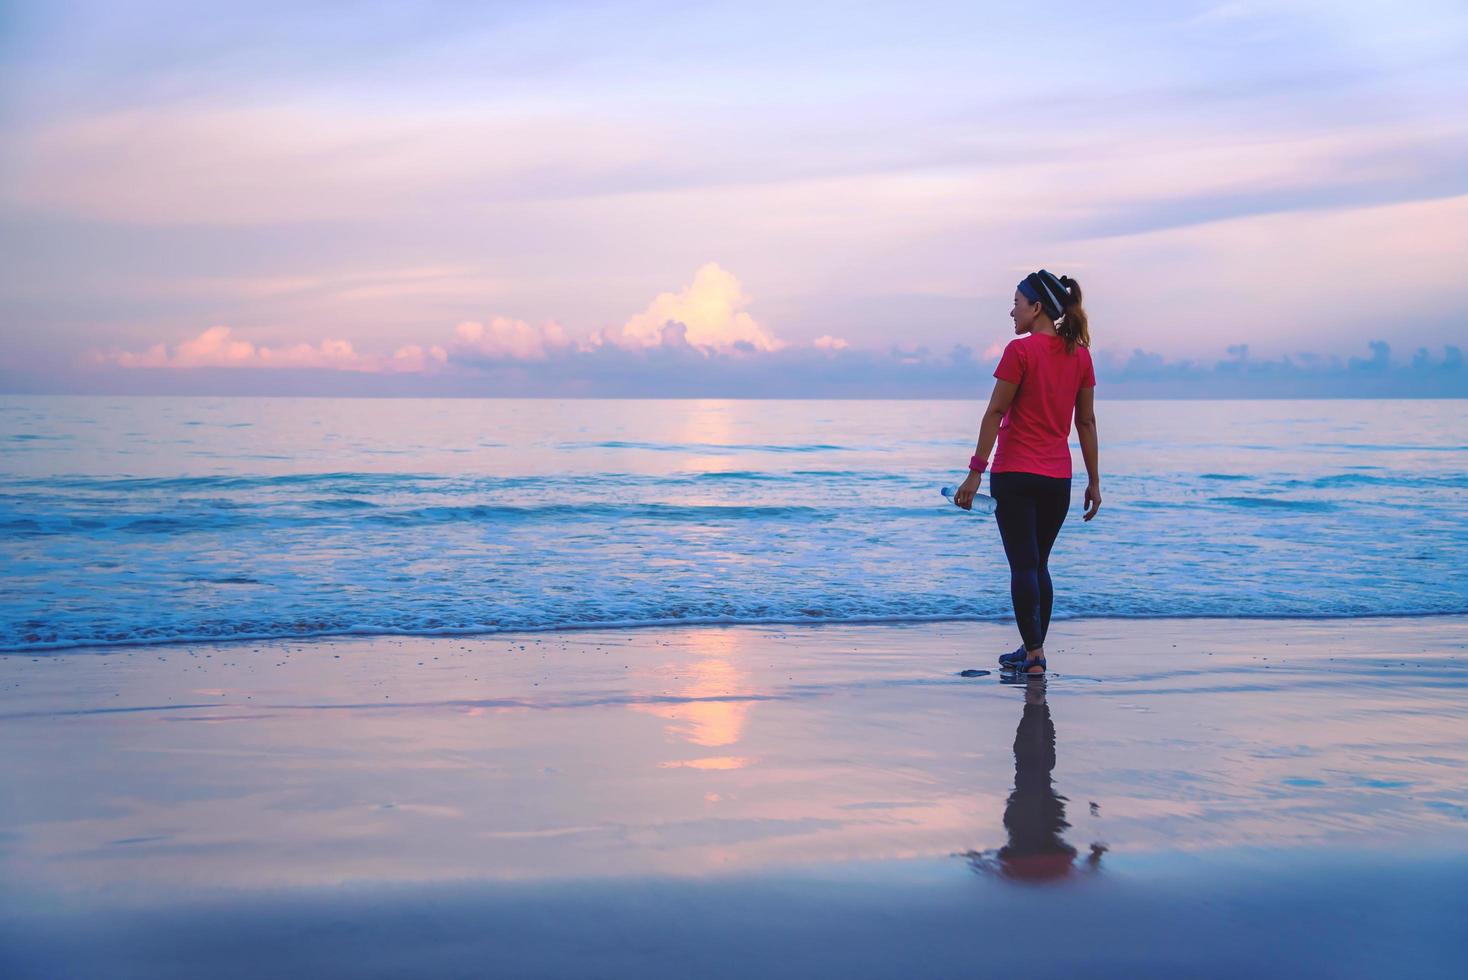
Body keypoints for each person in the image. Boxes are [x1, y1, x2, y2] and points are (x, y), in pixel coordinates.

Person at [953, 269, 1100, 675]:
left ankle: (1034, 657)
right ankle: (1031, 649)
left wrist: (974, 474)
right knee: (1039, 565)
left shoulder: (1019, 352)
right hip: (1057, 480)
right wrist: (1095, 481)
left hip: (1015, 474)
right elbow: (1085, 423)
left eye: (1017, 303)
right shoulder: (1080, 357)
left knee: (1022, 566)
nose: (1011, 311)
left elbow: (995, 412)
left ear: (1036, 308)